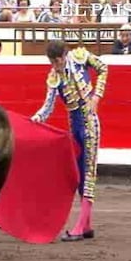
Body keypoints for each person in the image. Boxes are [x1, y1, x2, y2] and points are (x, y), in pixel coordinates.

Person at [31, 40, 108, 242]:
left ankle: (81, 226)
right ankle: (87, 225)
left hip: (89, 121)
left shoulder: (79, 57)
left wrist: (97, 97)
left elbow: (103, 68)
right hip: (74, 125)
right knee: (80, 172)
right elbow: (47, 108)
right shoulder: (54, 77)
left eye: (53, 62)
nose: (52, 66)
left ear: (59, 58)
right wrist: (34, 121)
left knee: (88, 172)